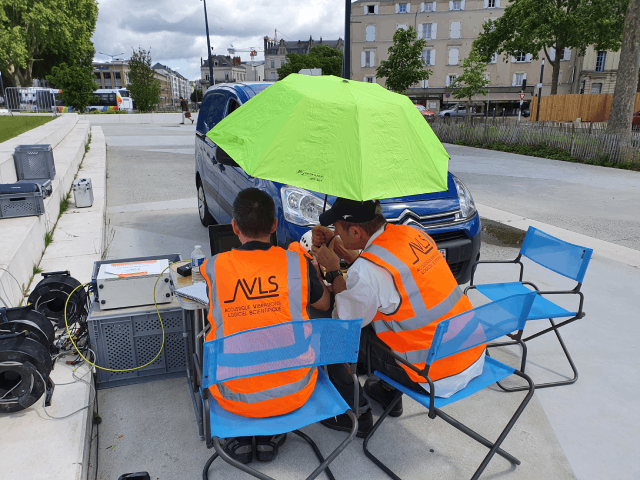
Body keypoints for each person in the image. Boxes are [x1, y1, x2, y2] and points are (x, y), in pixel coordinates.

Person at [311, 198, 485, 437]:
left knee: (332, 334)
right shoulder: (412, 234)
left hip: (434, 376)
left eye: (337, 229)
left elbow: (346, 319)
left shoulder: (367, 271)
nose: (335, 232)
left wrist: (332, 269)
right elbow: (380, 273)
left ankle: (355, 415)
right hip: (470, 351)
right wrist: (338, 247)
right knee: (385, 314)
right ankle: (387, 390)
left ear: (355, 231)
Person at [200, 188, 330, 464]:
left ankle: (243, 437)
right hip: (295, 388)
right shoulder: (297, 263)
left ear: (234, 227)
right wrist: (316, 274)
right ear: (274, 225)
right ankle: (272, 433)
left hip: (232, 394)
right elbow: (324, 305)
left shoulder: (214, 267)